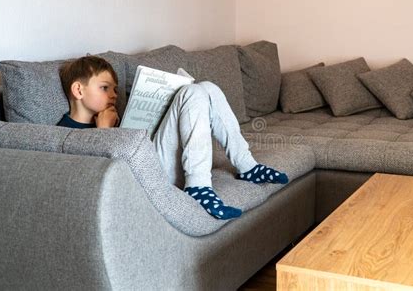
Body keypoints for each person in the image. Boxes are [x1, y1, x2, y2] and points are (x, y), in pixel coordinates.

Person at [58, 55, 289, 220]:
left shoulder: (113, 117)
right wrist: (105, 134)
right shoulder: (63, 131)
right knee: (192, 93)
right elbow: (95, 181)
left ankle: (247, 165)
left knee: (206, 88)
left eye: (115, 90)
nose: (113, 95)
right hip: (144, 180)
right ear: (78, 90)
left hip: (157, 160)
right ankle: (198, 187)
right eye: (105, 88)